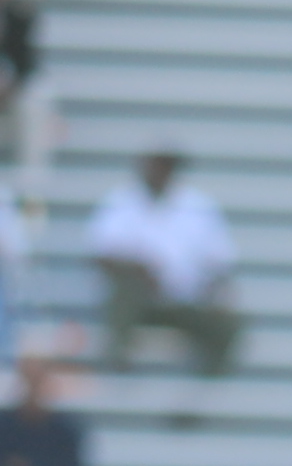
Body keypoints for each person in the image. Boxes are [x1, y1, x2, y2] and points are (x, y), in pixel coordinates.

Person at [85, 146, 231, 375]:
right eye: (156, 163)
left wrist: (214, 295)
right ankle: (118, 359)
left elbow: (220, 264)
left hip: (186, 302)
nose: (160, 170)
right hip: (139, 304)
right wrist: (139, 271)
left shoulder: (199, 207)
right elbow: (101, 256)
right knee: (126, 290)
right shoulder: (120, 202)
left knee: (228, 320)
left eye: (166, 165)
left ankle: (212, 379)